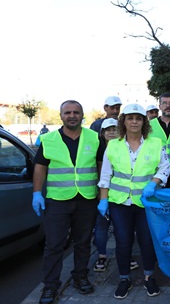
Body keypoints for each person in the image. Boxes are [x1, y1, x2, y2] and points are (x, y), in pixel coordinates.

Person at [32, 100, 104, 304]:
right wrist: (37, 193)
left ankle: (80, 276)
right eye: (68, 112)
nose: (72, 115)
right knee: (54, 244)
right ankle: (50, 286)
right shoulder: (49, 139)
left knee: (82, 242)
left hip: (87, 198)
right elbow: (40, 167)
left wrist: (102, 193)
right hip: (58, 200)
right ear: (61, 115)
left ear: (83, 115)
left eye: (76, 112)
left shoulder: (94, 137)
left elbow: (100, 166)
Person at [97, 103, 170, 299]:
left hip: (146, 202)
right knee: (123, 241)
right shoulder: (113, 145)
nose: (134, 121)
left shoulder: (155, 143)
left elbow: (165, 168)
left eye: (138, 118)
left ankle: (148, 277)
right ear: (124, 121)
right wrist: (103, 200)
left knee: (147, 240)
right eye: (130, 118)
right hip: (119, 202)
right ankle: (124, 279)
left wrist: (153, 183)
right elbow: (106, 175)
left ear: (144, 122)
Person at [92, 118, 139, 272]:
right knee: (101, 228)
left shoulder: (127, 148)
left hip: (122, 198)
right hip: (102, 197)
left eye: (115, 129)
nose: (112, 132)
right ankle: (102, 256)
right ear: (102, 133)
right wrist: (101, 196)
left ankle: (127, 256)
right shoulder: (96, 151)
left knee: (124, 230)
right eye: (108, 130)